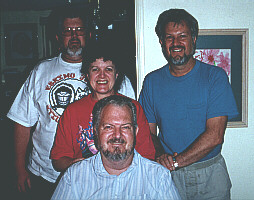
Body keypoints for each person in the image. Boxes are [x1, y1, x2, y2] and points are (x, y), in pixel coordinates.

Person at [6, 5, 135, 200]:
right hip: (46, 174)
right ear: (57, 38)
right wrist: (19, 169)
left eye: (79, 30)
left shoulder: (116, 76)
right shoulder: (40, 71)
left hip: (101, 177)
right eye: (67, 31)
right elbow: (22, 122)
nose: (74, 37)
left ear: (89, 34)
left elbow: (132, 127)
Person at [138, 8, 239, 200]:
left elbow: (215, 135)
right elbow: (148, 132)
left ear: (193, 39)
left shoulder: (215, 77)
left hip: (210, 174)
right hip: (167, 175)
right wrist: (161, 156)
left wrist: (176, 161)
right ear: (161, 42)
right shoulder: (151, 82)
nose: (176, 43)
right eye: (169, 37)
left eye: (182, 36)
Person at [50, 42, 155, 172]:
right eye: (95, 69)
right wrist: (76, 165)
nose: (102, 76)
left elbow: (147, 156)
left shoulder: (133, 107)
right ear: (87, 75)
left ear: (117, 75)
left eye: (108, 69)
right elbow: (58, 160)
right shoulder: (72, 111)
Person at [51, 95, 180, 200]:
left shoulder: (158, 177)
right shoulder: (74, 176)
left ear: (135, 132)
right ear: (96, 132)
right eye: (108, 127)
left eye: (125, 127)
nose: (117, 135)